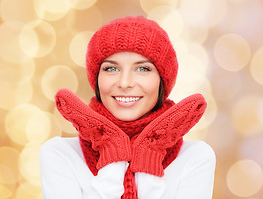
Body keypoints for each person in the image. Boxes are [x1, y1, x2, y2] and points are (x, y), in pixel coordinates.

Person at [39, 16, 216, 199]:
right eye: (111, 69)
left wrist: (150, 153)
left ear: (162, 81)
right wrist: (110, 148)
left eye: (143, 69)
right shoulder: (60, 154)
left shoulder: (195, 158)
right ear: (97, 79)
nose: (125, 83)